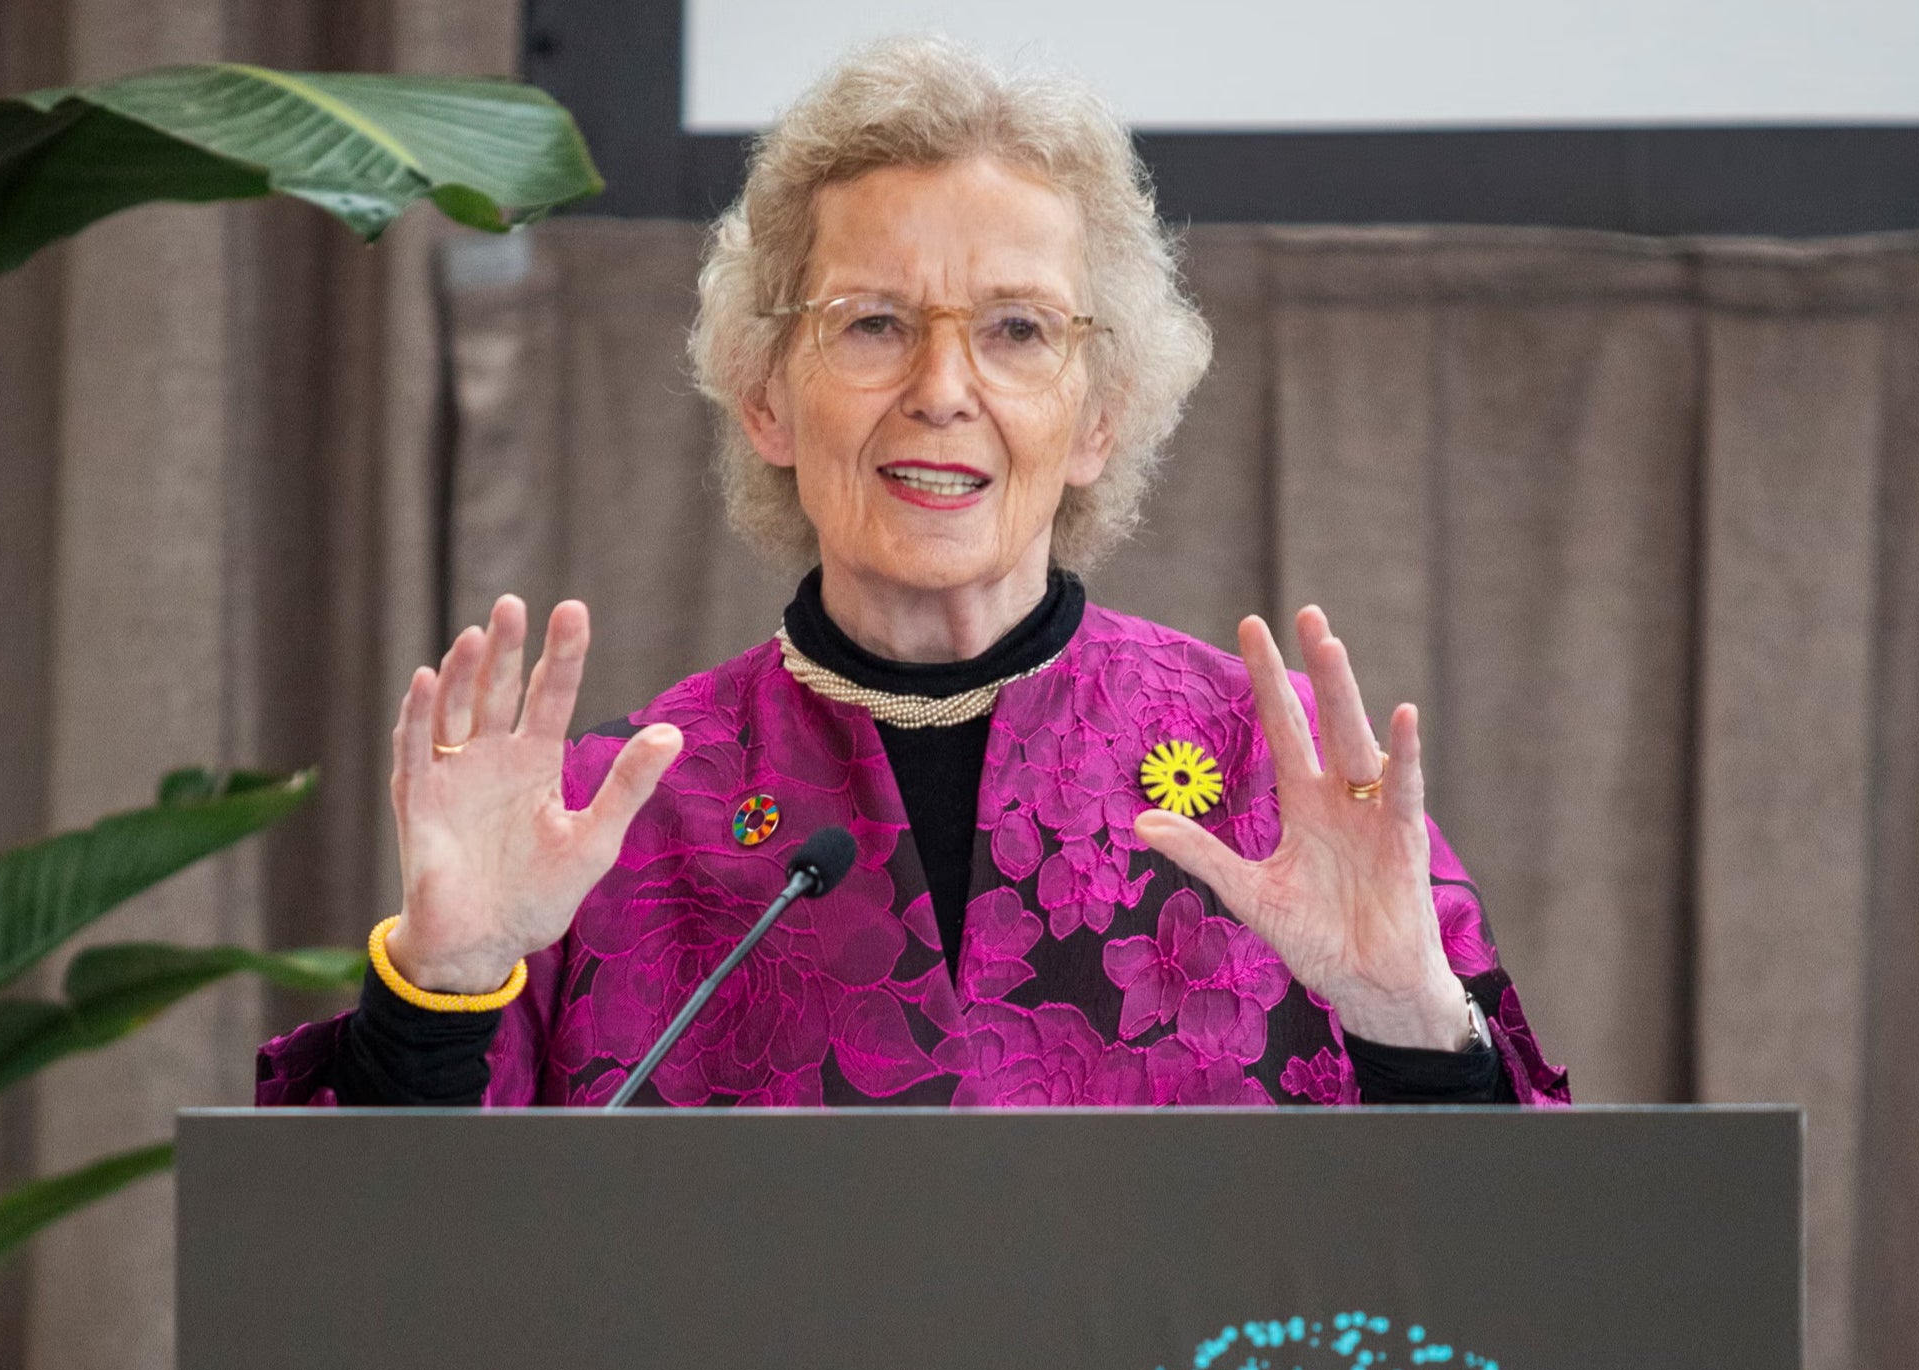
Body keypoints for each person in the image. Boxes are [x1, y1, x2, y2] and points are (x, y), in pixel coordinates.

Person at [256, 37, 1571, 1110]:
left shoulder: (1272, 779)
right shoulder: (606, 818)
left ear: (1099, 416)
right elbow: (391, 1306)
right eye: (873, 324)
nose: (943, 391)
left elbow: (1524, 1288)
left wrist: (1410, 1027)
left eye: (1015, 330)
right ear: (766, 397)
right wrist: (445, 975)